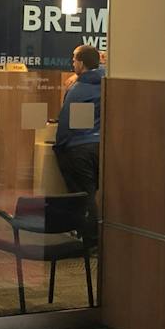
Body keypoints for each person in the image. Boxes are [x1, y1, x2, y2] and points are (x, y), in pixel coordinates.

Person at [54, 44, 104, 239]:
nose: (72, 62)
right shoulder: (104, 82)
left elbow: (66, 125)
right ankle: (88, 236)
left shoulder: (77, 89)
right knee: (91, 193)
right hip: (98, 145)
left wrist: (59, 148)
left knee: (84, 195)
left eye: (74, 59)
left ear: (81, 63)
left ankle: (88, 239)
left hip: (77, 148)